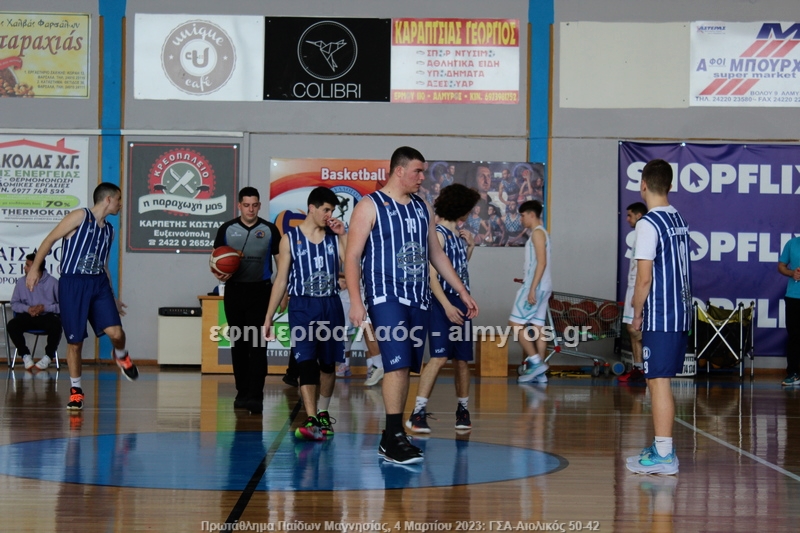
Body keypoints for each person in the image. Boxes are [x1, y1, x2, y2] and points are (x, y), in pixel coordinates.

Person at [345, 146, 479, 465]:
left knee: (405, 367)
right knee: (397, 364)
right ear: (399, 170)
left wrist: (461, 290)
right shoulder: (369, 205)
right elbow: (352, 256)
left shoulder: (422, 208)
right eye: (418, 171)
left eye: (424, 172)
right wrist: (355, 301)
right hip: (385, 296)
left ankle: (393, 435)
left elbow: (436, 253)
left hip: (418, 298)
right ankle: (392, 435)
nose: (422, 178)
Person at [26, 183, 138, 411]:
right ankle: (76, 392)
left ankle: (120, 354)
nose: (120, 204)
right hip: (73, 284)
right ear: (108, 199)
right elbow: (49, 240)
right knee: (75, 342)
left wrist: (112, 297)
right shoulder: (80, 216)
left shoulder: (109, 230)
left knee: (117, 333)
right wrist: (35, 269)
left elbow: (104, 265)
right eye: (118, 199)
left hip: (98, 284)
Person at [263, 186, 346, 440]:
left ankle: (323, 413)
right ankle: (311, 419)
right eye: (326, 210)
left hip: (330, 304)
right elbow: (281, 280)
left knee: (328, 365)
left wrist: (343, 235)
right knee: (306, 363)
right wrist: (268, 316)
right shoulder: (289, 239)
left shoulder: (334, 236)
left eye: (332, 210)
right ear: (312, 208)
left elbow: (350, 263)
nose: (330, 215)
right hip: (302, 306)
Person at [627, 159, 692, 476]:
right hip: (681, 312)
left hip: (662, 314)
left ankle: (664, 455)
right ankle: (662, 447)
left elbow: (644, 279)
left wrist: (636, 314)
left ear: (643, 185)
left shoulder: (648, 224)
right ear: (670, 185)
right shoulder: (677, 218)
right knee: (659, 380)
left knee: (658, 381)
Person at [406, 183, 479, 434]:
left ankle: (463, 410)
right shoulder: (438, 234)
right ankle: (417, 412)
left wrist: (470, 248)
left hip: (460, 301)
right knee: (438, 357)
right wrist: (447, 306)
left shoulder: (458, 236)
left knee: (462, 360)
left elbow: (456, 270)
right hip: (441, 303)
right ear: (461, 208)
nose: (470, 212)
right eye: (469, 208)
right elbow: (432, 277)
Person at [213, 187, 281, 415]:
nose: (250, 209)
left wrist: (282, 293)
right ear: (239, 206)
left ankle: (256, 395)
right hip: (234, 292)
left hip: (261, 292)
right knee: (239, 344)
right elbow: (215, 261)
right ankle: (242, 392)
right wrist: (220, 274)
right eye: (246, 205)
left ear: (259, 205)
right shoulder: (227, 229)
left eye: (254, 205)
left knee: (258, 345)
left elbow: (281, 264)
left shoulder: (270, 230)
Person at [510, 200, 552, 384]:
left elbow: (541, 262)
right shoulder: (542, 233)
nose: (521, 219)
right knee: (538, 327)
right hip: (544, 286)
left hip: (535, 286)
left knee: (515, 323)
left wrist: (532, 288)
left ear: (532, 215)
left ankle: (535, 362)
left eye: (522, 215)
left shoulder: (537, 233)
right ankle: (540, 374)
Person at [8, 253, 61, 370]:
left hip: (46, 316)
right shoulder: (21, 282)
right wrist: (28, 309)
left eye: (27, 265)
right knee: (12, 325)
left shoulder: (53, 282)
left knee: (56, 325)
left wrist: (45, 308)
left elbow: (63, 306)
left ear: (36, 268)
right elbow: (14, 303)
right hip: (27, 316)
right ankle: (25, 355)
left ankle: (48, 356)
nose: (24, 267)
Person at [618, 202, 648, 383]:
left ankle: (648, 363)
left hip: (637, 288)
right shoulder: (638, 235)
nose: (627, 219)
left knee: (635, 329)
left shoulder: (645, 234)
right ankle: (638, 368)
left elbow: (646, 269)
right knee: (631, 329)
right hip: (632, 287)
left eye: (630, 215)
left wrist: (638, 293)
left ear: (639, 215)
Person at [778, 235, 800, 386]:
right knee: (794, 336)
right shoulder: (792, 243)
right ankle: (793, 374)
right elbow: (781, 266)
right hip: (794, 297)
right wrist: (792, 273)